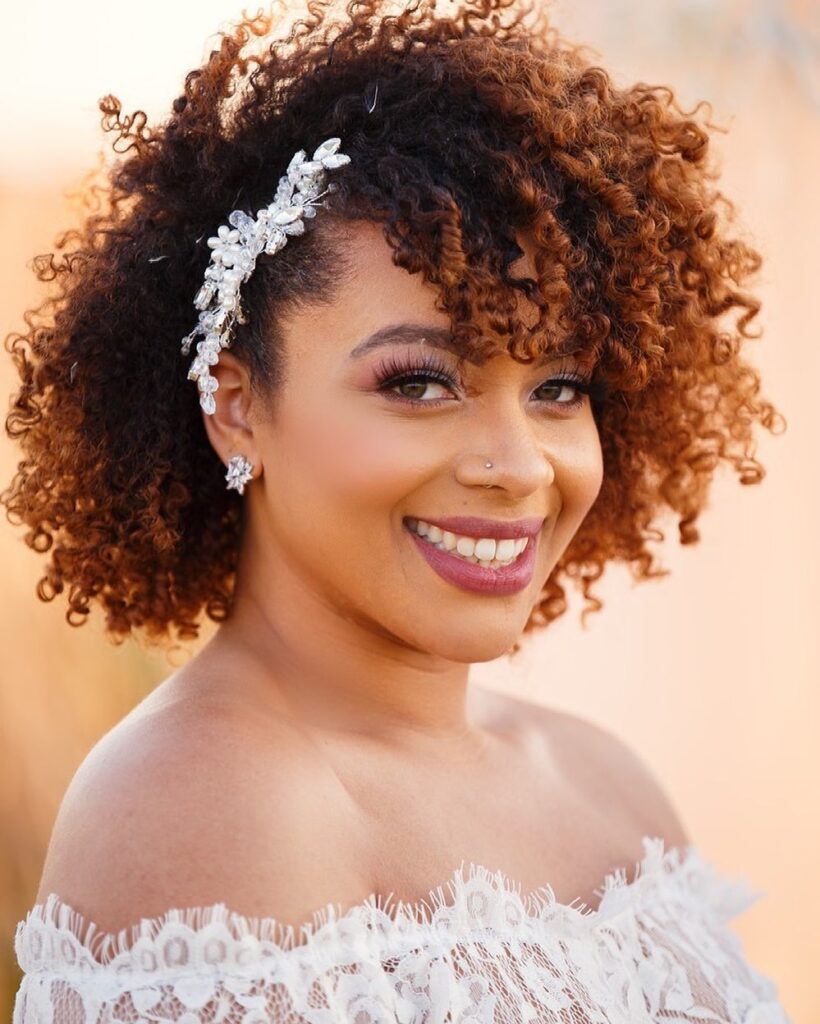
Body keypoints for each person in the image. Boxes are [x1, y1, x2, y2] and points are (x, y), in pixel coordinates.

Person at [4, 1, 791, 1021]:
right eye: (420, 382)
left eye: (559, 386)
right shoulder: (207, 806)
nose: (518, 466)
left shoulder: (603, 783)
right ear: (236, 406)